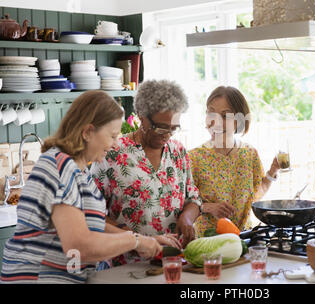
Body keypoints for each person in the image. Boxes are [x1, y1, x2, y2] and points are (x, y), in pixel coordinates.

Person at [1, 91, 164, 284]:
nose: (115, 144)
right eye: (112, 135)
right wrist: (135, 242)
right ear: (87, 132)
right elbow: (79, 246)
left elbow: (88, 224)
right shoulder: (59, 166)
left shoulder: (79, 172)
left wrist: (142, 240)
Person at [91, 79, 202, 267]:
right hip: (127, 263)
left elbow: (193, 197)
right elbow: (92, 213)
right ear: (141, 116)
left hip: (175, 261)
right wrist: (132, 238)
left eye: (173, 129)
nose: (167, 135)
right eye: (160, 127)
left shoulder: (178, 152)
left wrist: (187, 217)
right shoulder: (112, 153)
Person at [188, 86, 281, 237]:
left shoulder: (249, 154)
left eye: (225, 116)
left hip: (245, 239)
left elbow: (255, 194)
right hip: (209, 244)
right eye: (211, 113)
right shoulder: (194, 158)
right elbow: (181, 205)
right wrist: (207, 207)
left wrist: (273, 171)